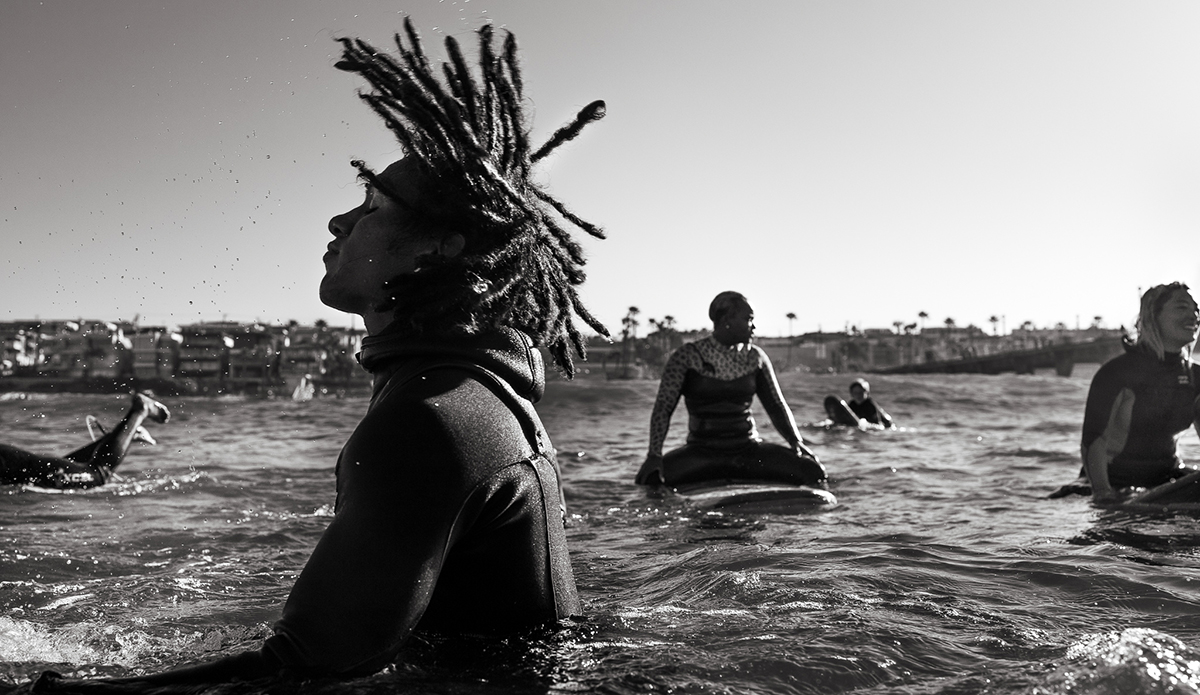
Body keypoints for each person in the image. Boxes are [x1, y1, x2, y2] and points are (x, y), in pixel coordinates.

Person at [31, 18, 607, 689]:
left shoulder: (431, 417)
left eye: (371, 204)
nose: (339, 221)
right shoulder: (467, 393)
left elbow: (305, 671)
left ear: (436, 248)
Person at [635, 292, 828, 488]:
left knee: (811, 471)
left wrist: (796, 442)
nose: (753, 326)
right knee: (650, 479)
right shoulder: (687, 357)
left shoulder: (755, 357)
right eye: (748, 319)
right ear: (727, 320)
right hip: (701, 454)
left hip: (748, 451)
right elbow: (663, 408)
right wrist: (654, 454)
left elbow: (776, 405)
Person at [1068, 282, 1199, 502]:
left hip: (1167, 479)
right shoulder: (1118, 372)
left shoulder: (1196, 376)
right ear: (1153, 316)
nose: (1194, 315)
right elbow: (1093, 441)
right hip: (1114, 482)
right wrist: (1102, 493)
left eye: (1196, 309)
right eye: (1181, 307)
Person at [0, 392, 169, 489]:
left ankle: (140, 410)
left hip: (31, 470)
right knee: (70, 466)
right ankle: (123, 434)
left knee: (98, 473)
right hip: (27, 469)